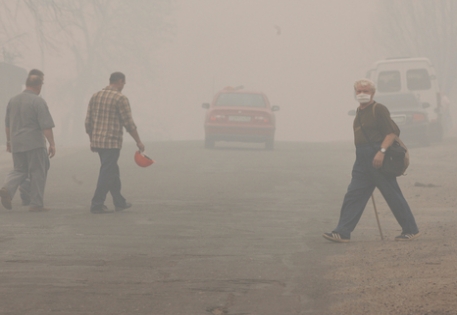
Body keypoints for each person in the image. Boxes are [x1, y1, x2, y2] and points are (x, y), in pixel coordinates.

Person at [323, 79, 420, 242]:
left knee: (392, 195)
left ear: (372, 93)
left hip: (377, 157)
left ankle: (411, 229)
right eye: (359, 91)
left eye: (365, 91)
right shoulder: (359, 111)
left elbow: (391, 133)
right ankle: (343, 232)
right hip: (362, 159)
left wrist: (381, 152)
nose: (362, 94)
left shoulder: (378, 109)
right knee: (353, 195)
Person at [85, 72, 144, 214]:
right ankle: (97, 204)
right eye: (124, 83)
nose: (124, 86)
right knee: (107, 172)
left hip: (98, 141)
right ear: (120, 81)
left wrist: (91, 139)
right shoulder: (120, 98)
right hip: (112, 141)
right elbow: (128, 123)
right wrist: (138, 141)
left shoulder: (95, 96)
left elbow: (88, 121)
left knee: (112, 170)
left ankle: (119, 201)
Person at [0, 70, 56, 212]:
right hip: (34, 143)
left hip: (16, 142)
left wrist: (8, 141)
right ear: (38, 86)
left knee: (19, 169)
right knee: (38, 171)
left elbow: (7, 124)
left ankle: (7, 188)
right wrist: (52, 143)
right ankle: (36, 204)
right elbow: (46, 125)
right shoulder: (38, 101)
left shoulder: (13, 100)